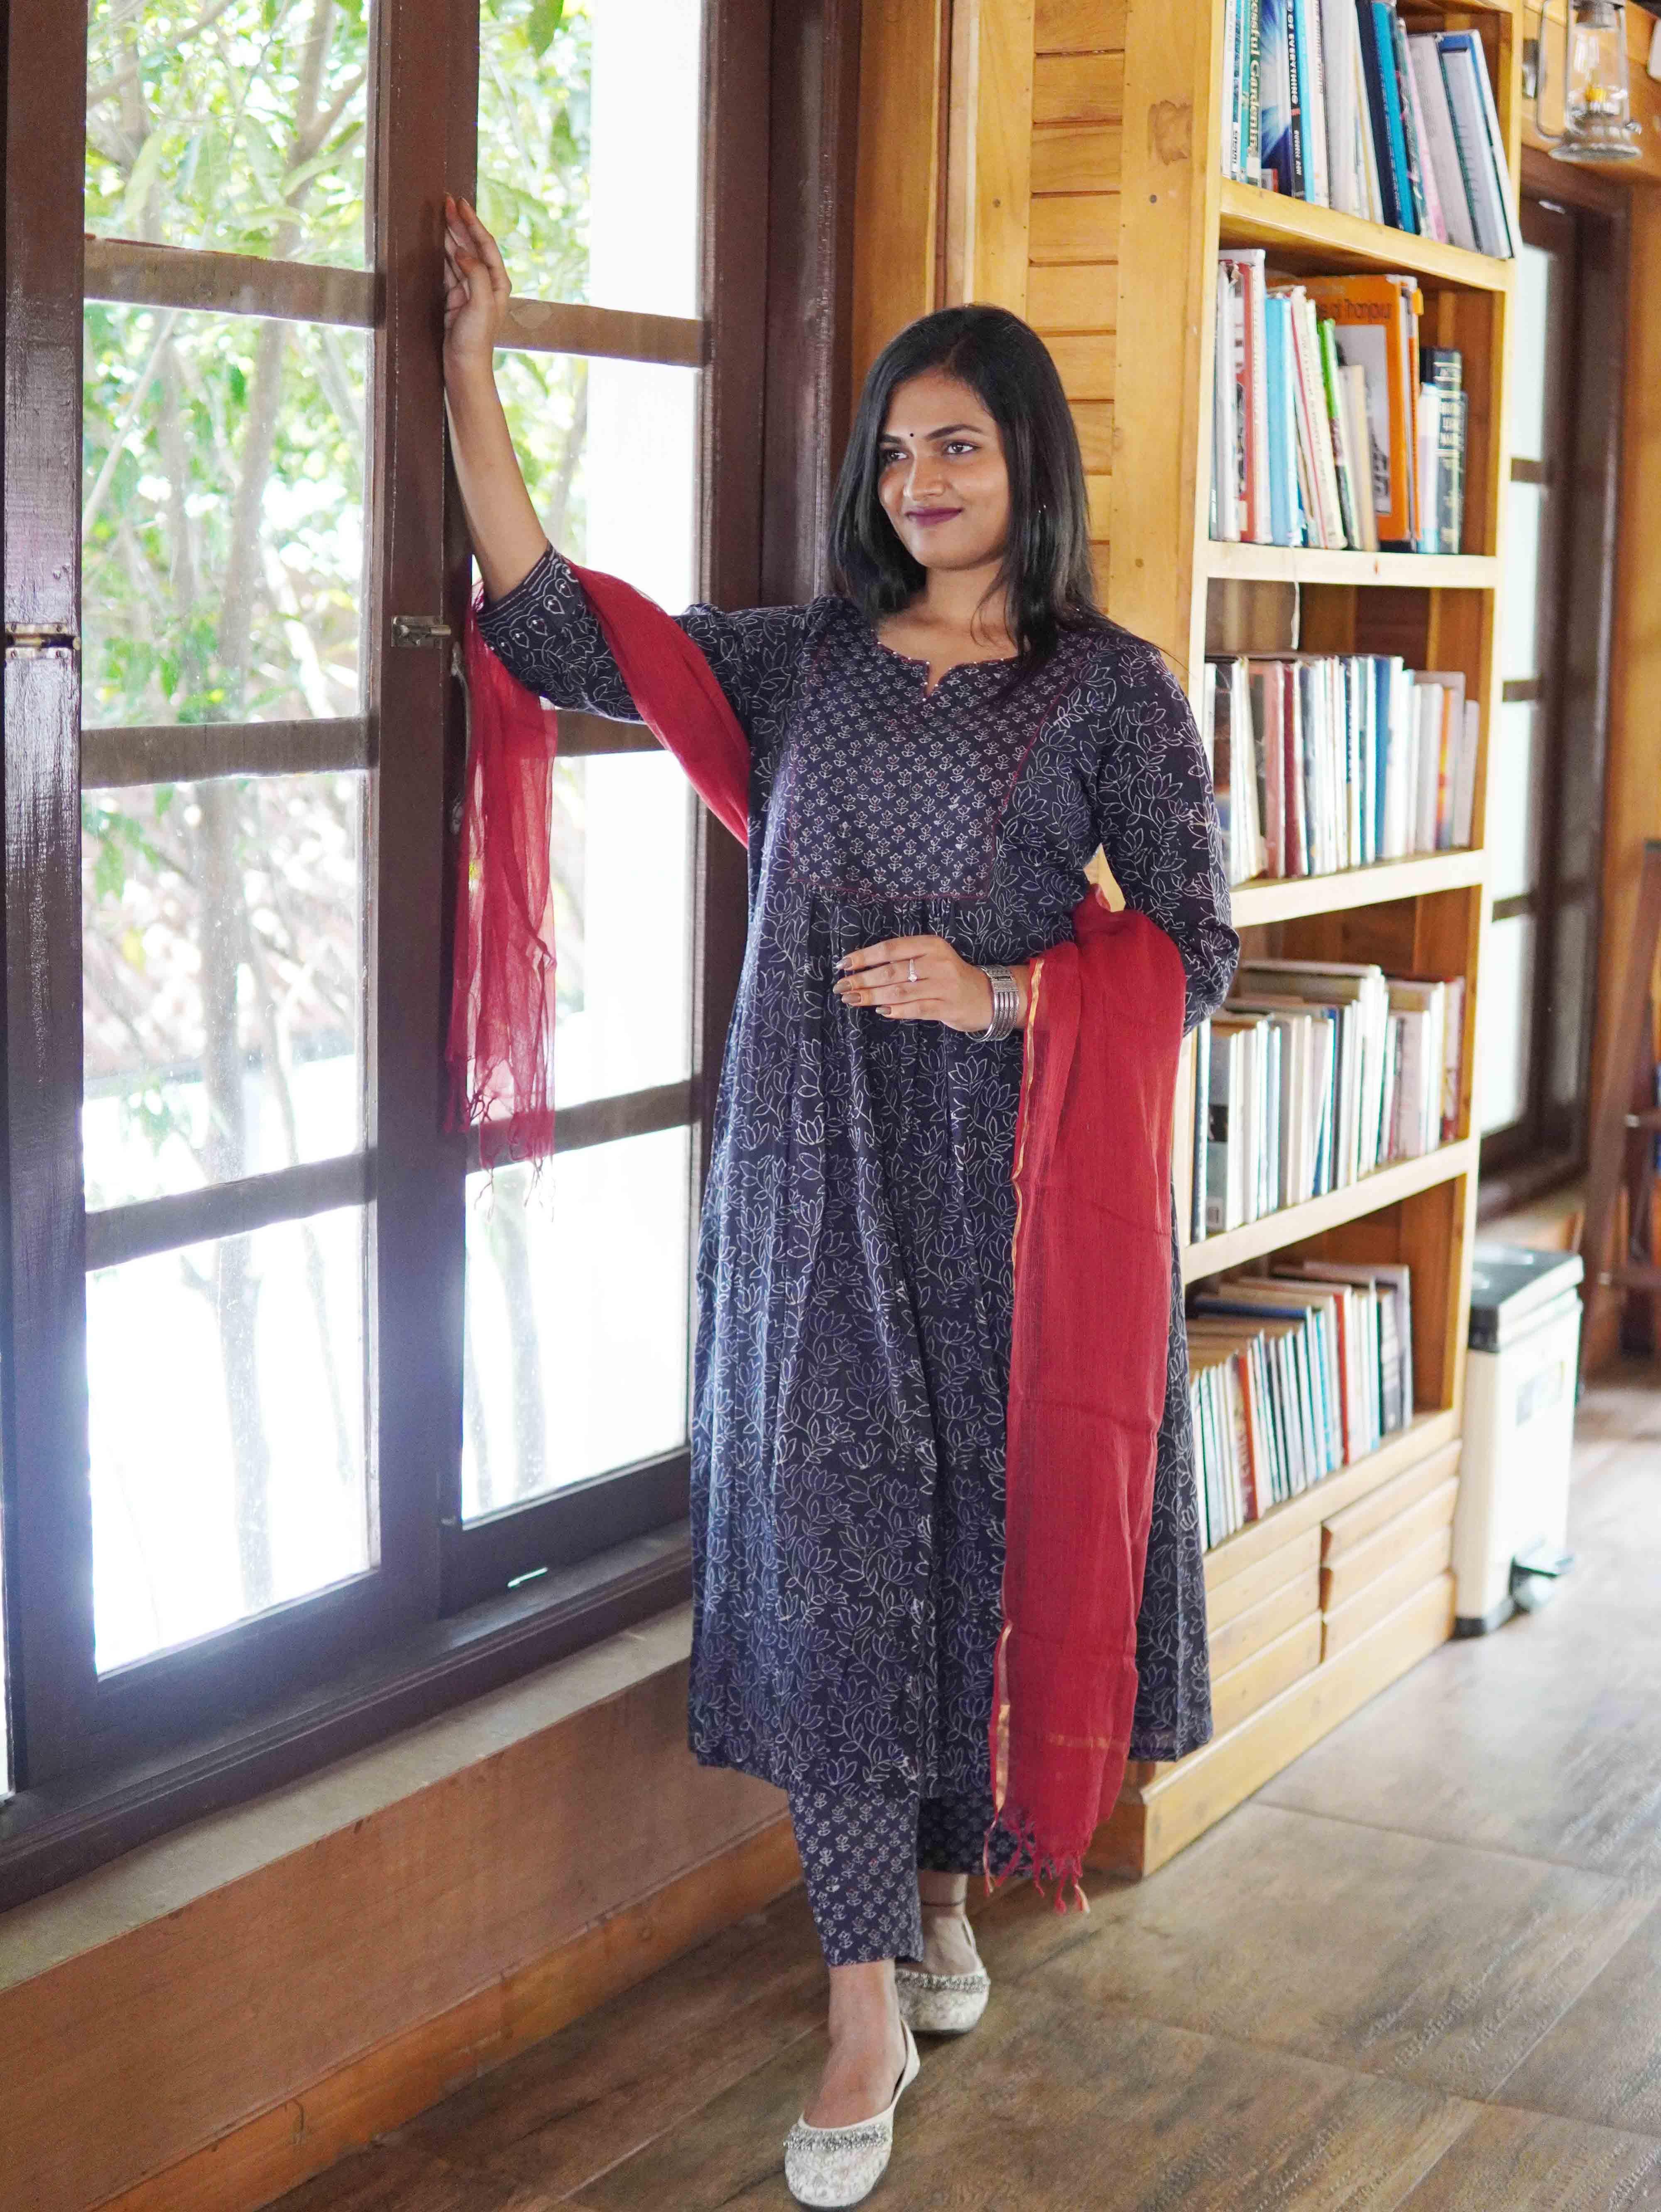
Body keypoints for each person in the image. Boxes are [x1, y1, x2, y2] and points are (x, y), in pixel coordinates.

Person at [442, 192, 1239, 2209]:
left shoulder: (1110, 692)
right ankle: (859, 2001)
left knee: (967, 1551)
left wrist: (1003, 994)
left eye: (956, 444)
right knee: (831, 1565)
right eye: (895, 450)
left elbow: (1195, 955)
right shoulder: (802, 663)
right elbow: (557, 623)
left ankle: (947, 1898)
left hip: (1007, 1206)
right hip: (810, 1194)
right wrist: (468, 370)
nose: (918, 480)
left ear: (1028, 464)